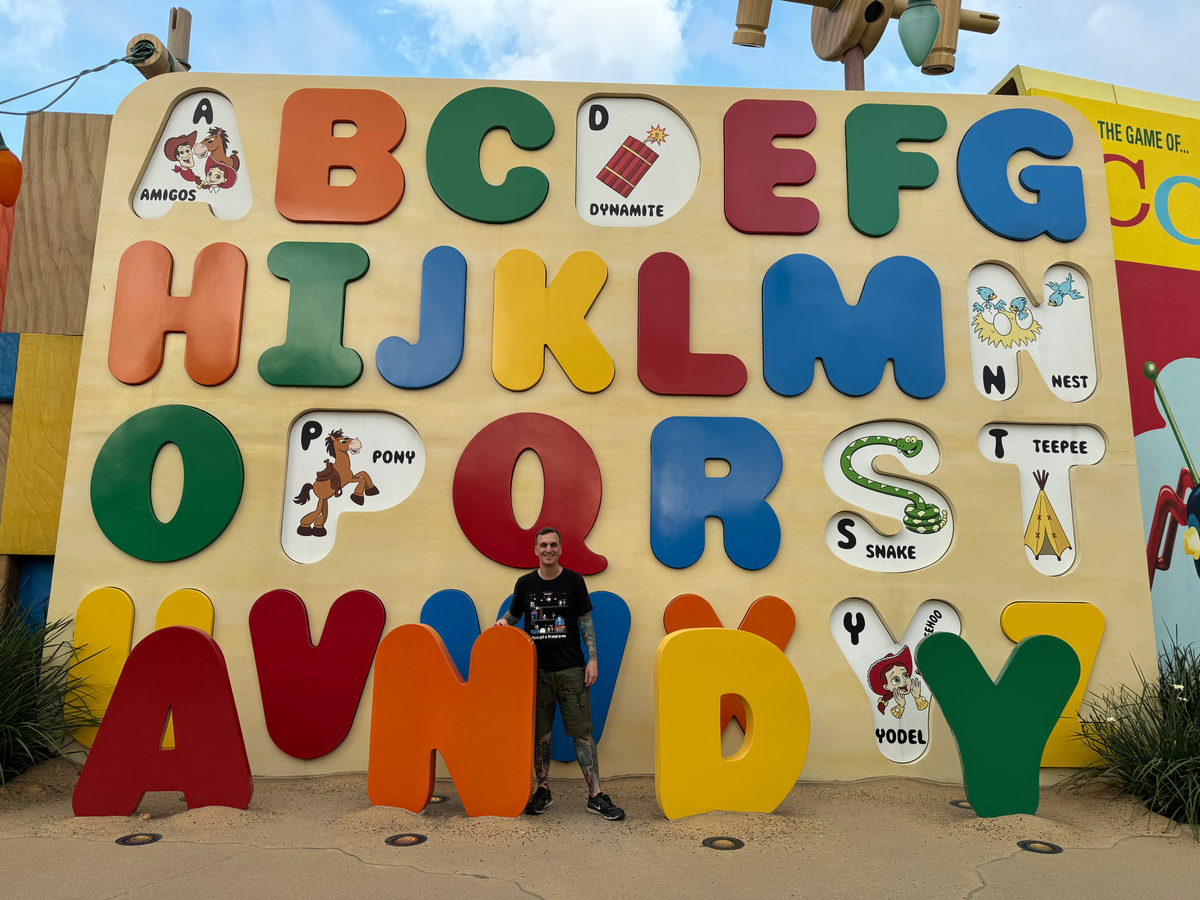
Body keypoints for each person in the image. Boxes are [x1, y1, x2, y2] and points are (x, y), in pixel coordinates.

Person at [495, 526, 625, 821]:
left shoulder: (574, 581)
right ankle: (543, 790)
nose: (549, 549)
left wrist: (592, 659)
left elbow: (584, 620)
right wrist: (502, 622)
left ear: (560, 549)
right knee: (541, 735)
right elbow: (514, 615)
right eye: (544, 545)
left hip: (571, 670)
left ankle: (596, 795)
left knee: (583, 734)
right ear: (536, 550)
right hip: (536, 671)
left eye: (554, 544)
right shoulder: (525, 583)